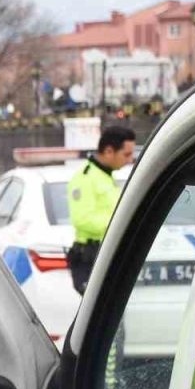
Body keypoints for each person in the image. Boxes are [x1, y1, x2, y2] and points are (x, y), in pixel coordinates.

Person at [66, 125, 136, 294]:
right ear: (109, 151)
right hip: (90, 257)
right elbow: (82, 219)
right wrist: (121, 224)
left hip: (106, 253)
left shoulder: (105, 176)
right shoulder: (86, 178)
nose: (130, 159)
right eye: (126, 154)